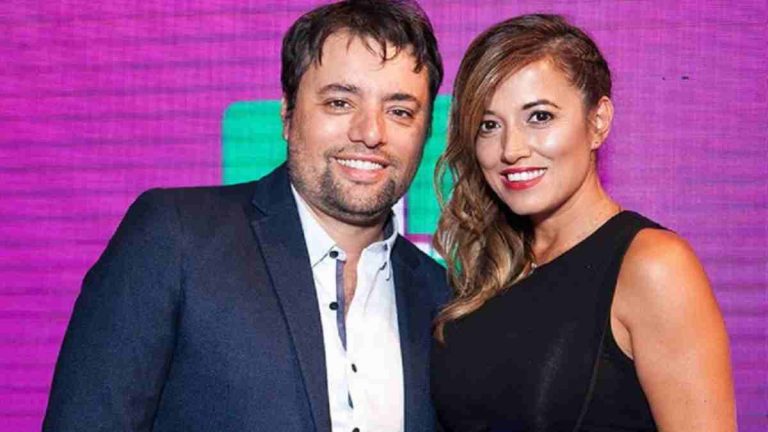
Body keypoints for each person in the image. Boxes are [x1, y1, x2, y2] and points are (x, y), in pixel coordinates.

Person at [43, 1, 447, 431]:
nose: (370, 132)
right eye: (339, 102)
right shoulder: (177, 238)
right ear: (287, 115)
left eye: (399, 111)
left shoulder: (442, 297)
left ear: (425, 132)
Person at [430, 14, 735, 432]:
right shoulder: (485, 271)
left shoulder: (653, 265)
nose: (511, 149)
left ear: (598, 121)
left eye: (539, 117)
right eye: (489, 125)